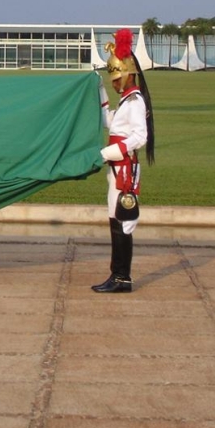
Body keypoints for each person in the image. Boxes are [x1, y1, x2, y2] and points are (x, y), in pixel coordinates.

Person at [93, 28, 155, 294]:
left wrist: (107, 153)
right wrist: (99, 91)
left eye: (117, 79)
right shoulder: (126, 101)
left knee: (122, 222)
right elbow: (109, 121)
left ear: (129, 74)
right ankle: (117, 275)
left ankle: (122, 277)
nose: (115, 84)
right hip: (117, 168)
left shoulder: (135, 102)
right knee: (115, 221)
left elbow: (140, 136)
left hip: (125, 170)